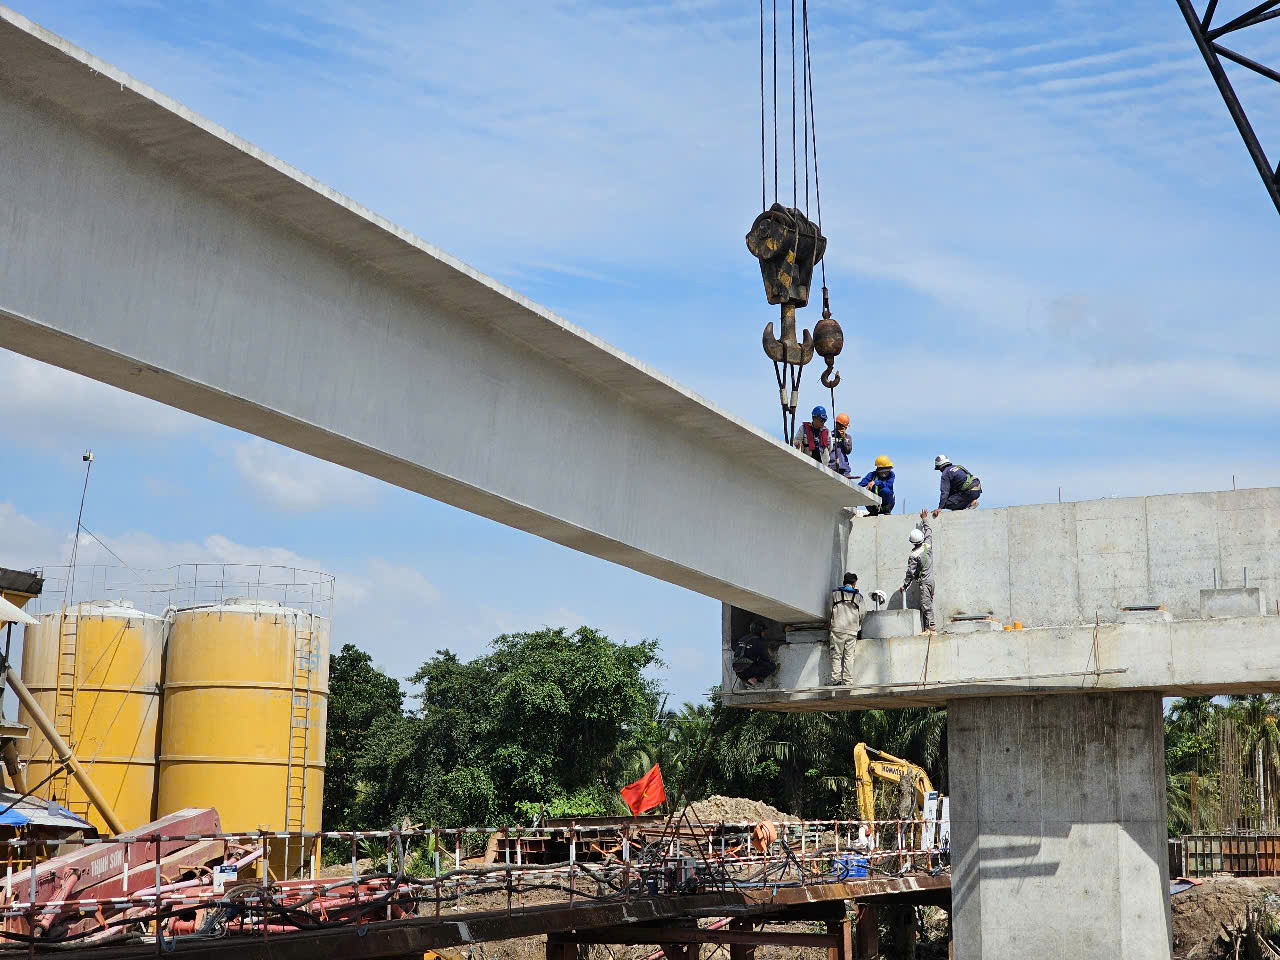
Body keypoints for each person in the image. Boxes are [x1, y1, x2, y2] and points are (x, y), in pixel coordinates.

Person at [901, 510, 936, 632]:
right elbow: (929, 532)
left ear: (912, 542)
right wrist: (925, 519)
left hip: (925, 582)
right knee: (929, 603)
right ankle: (928, 627)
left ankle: (930, 628)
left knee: (926, 605)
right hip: (931, 581)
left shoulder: (914, 555)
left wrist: (905, 585)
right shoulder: (928, 545)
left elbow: (910, 573)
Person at [828, 572, 863, 684]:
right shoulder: (858, 596)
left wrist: (832, 620)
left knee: (836, 655)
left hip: (837, 629)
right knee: (849, 656)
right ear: (854, 584)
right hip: (852, 630)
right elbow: (863, 612)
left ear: (844, 582)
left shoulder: (835, 594)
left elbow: (829, 609)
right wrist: (858, 624)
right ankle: (847, 681)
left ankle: (836, 681)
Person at [731, 620, 784, 687]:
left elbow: (735, 648)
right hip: (748, 670)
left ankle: (746, 681)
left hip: (737, 670)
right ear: (759, 631)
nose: (764, 633)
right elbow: (764, 658)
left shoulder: (743, 638)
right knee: (771, 666)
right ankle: (753, 681)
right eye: (763, 631)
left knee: (752, 662)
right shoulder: (759, 642)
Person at [829, 413, 853, 477]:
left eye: (845, 428)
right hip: (831, 466)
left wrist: (844, 439)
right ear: (838, 425)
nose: (845, 429)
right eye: (844, 427)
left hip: (844, 468)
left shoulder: (848, 437)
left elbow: (848, 451)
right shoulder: (830, 435)